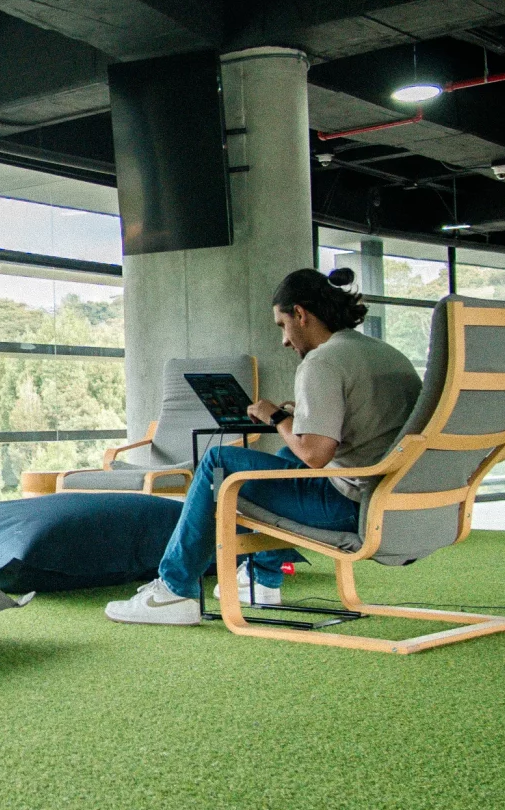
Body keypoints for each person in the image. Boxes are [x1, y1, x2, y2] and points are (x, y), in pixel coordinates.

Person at [105, 266, 421, 626]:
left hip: (352, 506)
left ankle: (173, 591)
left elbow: (315, 455)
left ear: (300, 314)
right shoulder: (388, 355)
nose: (284, 340)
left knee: (218, 462)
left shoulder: (323, 361)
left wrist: (276, 416)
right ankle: (262, 579)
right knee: (284, 456)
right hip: (398, 501)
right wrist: (302, 416)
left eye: (282, 325)